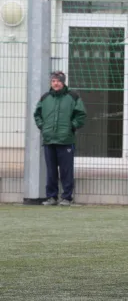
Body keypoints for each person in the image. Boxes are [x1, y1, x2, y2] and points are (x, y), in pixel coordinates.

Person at [34, 71, 86, 206]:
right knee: (51, 171)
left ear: (63, 82)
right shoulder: (45, 98)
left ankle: (67, 198)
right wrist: (43, 127)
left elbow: (81, 115)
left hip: (66, 140)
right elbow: (37, 114)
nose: (55, 83)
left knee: (66, 170)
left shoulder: (73, 97)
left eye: (58, 81)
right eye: (53, 81)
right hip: (49, 140)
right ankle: (51, 197)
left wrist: (71, 127)